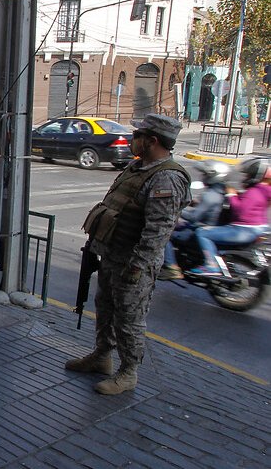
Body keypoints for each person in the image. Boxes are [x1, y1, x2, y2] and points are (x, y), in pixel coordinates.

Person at [69, 113, 191, 395]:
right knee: (106, 309)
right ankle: (101, 358)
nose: (132, 140)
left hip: (133, 264)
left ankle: (128, 373)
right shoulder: (137, 169)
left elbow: (157, 231)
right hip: (112, 255)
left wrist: (137, 267)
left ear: (152, 141)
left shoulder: (167, 178)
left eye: (138, 136)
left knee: (129, 319)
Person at [190, 157, 271, 275]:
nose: (244, 178)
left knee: (202, 233)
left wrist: (232, 195)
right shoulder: (262, 190)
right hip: (256, 227)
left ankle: (211, 265)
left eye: (247, 175)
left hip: (244, 229)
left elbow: (240, 211)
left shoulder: (254, 192)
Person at [159, 160, 231, 280]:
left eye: (205, 174)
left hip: (201, 227)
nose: (203, 177)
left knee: (165, 235)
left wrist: (176, 210)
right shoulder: (221, 191)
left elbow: (194, 217)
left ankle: (171, 268)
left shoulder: (211, 195)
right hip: (209, 225)